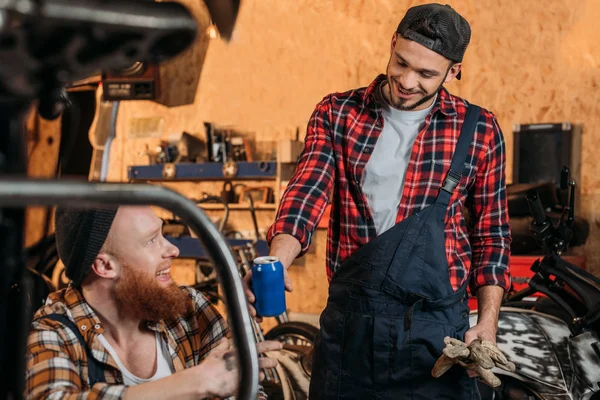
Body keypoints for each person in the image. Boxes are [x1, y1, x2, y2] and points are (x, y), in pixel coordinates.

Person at [245, 3, 511, 399]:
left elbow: (492, 235)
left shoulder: (479, 129)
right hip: (351, 332)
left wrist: (487, 322)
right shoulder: (337, 113)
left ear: (453, 70)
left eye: (425, 74)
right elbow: (307, 191)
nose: (406, 81)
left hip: (436, 336)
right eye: (401, 62)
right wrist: (277, 260)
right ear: (392, 43)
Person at [25, 205, 281, 399]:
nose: (172, 250)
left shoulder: (189, 309)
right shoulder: (52, 333)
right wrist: (195, 382)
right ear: (104, 265)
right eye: (151, 240)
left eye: (163, 235)